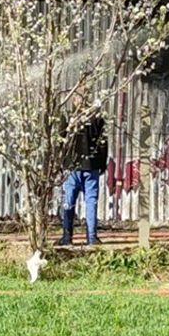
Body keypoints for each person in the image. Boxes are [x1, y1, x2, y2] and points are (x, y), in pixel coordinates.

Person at [58, 98, 109, 247]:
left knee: (69, 202)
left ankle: (67, 238)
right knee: (91, 202)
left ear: (74, 100)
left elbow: (60, 141)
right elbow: (103, 143)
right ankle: (91, 238)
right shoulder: (97, 118)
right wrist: (102, 164)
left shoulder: (68, 117)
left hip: (71, 166)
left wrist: (60, 163)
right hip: (91, 166)